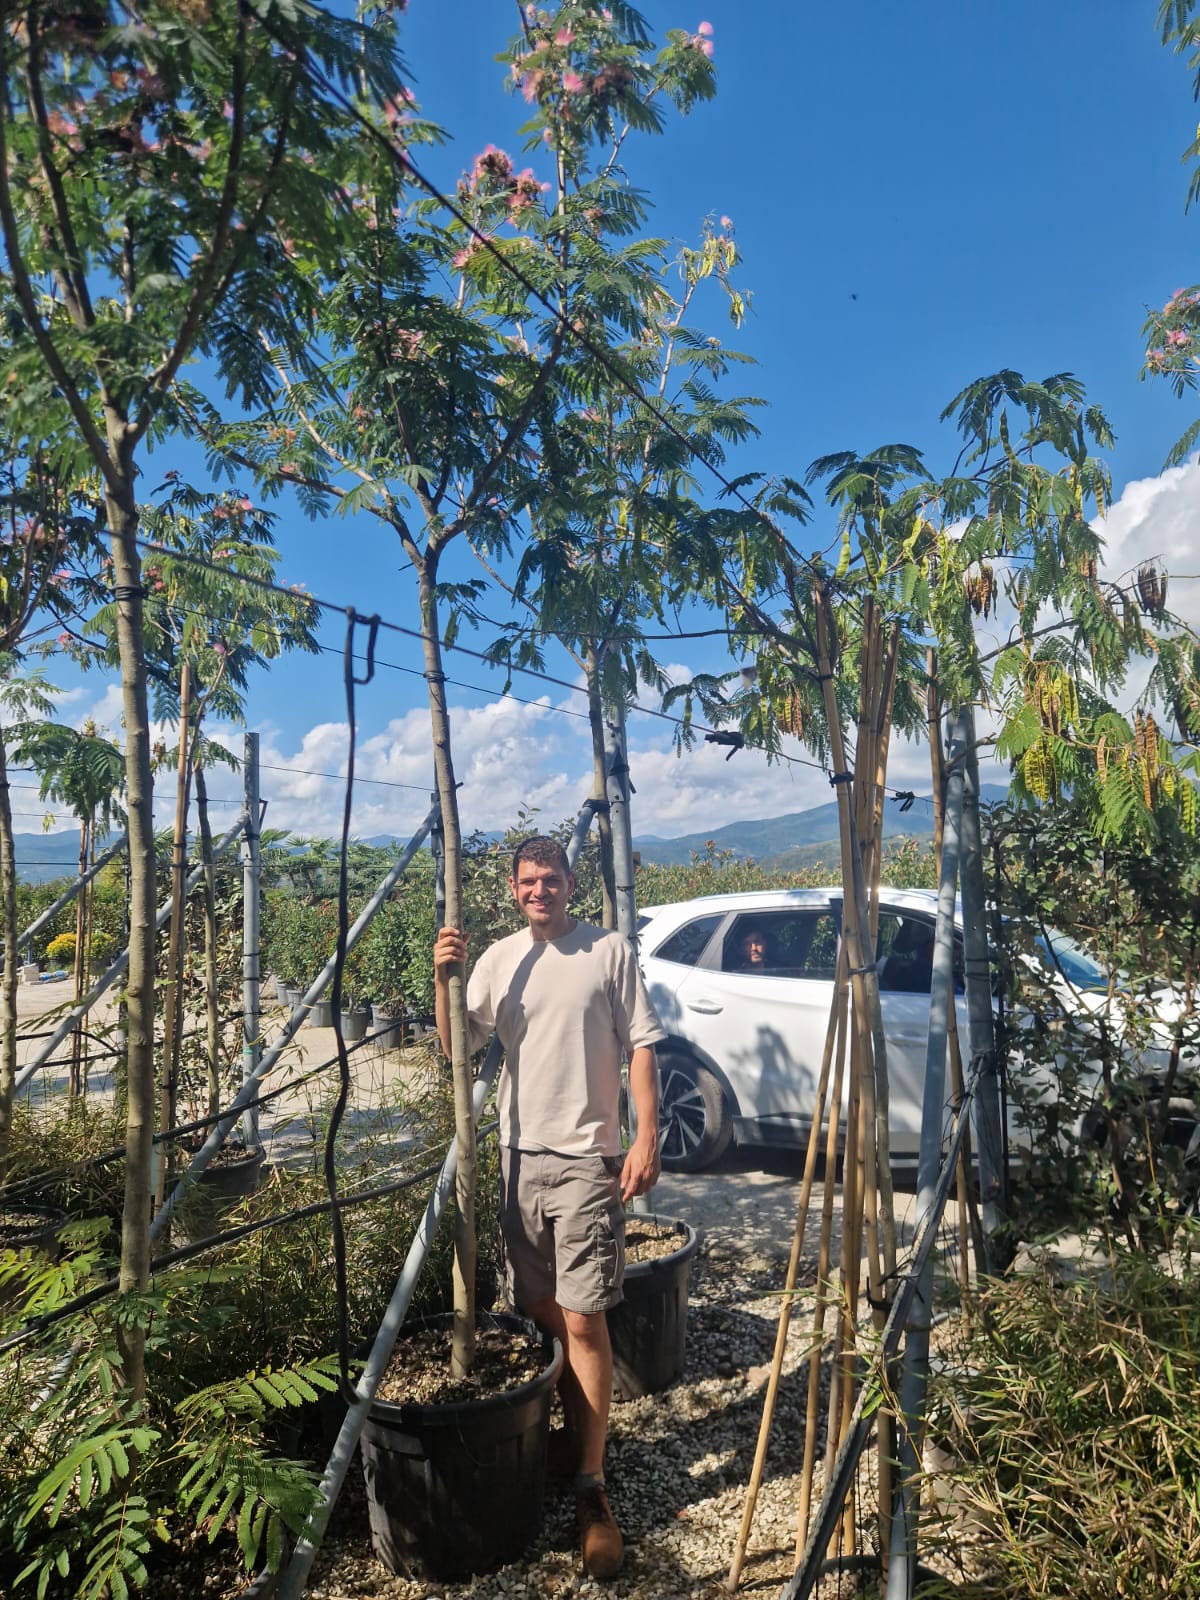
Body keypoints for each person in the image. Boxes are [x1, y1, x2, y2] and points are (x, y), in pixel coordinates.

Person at [433, 835, 664, 1581]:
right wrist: (444, 981)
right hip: (517, 1158)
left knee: (586, 1317)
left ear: (571, 884)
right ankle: (573, 1438)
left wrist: (645, 1135)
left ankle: (592, 1485)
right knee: (538, 1312)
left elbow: (641, 1047)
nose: (541, 891)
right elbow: (458, 1047)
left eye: (552, 880)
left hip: (587, 1159)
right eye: (529, 882)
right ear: (513, 889)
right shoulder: (500, 960)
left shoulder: (608, 952)